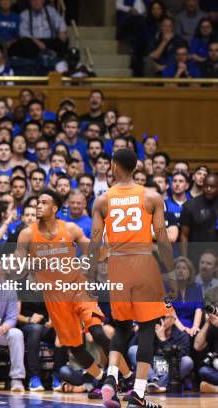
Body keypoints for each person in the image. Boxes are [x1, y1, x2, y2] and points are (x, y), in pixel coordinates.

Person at [16, 189, 132, 398]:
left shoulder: (70, 229)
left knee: (98, 332)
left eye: (44, 203)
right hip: (54, 298)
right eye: (37, 203)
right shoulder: (27, 234)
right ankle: (99, 379)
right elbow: (18, 264)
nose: (38, 206)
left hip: (78, 290)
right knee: (74, 347)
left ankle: (126, 376)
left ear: (55, 208)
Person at [90, 148, 174, 408]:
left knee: (123, 326)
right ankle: (138, 392)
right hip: (145, 264)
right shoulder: (151, 196)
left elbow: (94, 243)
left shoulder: (102, 200)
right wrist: (170, 274)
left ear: (114, 166)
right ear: (137, 167)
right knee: (148, 327)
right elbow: (162, 237)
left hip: (118, 267)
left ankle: (111, 379)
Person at [193, 310, 218, 393]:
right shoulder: (214, 327)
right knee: (203, 371)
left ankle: (215, 389)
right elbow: (197, 346)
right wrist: (207, 323)